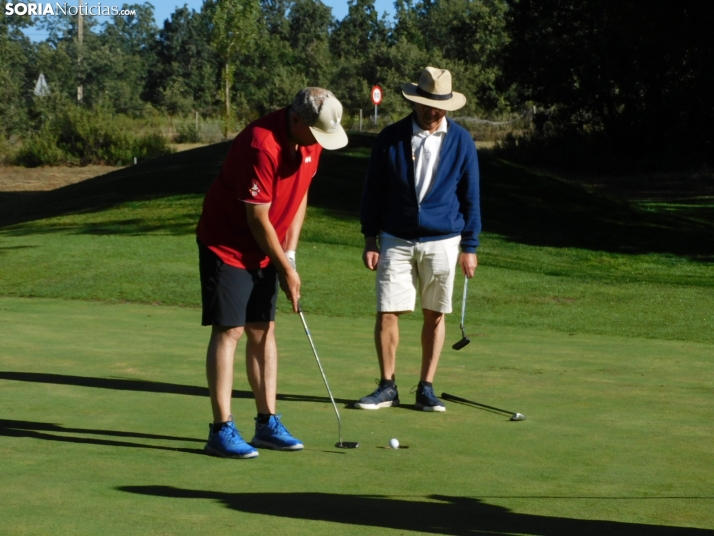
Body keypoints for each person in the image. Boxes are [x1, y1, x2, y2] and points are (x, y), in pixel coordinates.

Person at [196, 88, 348, 458]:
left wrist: (289, 255)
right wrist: (284, 267)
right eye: (316, 134)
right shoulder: (261, 144)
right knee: (230, 330)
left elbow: (300, 196)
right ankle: (221, 429)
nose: (320, 143)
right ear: (296, 120)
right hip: (227, 244)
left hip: (270, 248)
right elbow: (257, 217)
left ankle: (267, 423)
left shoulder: (312, 139)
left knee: (263, 330)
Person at [356, 66, 480, 412]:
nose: (432, 111)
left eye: (439, 105)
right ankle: (387, 386)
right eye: (427, 104)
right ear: (415, 102)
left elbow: (471, 196)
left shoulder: (461, 141)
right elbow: (373, 192)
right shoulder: (391, 138)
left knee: (435, 314)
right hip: (396, 237)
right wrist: (370, 238)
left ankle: (426, 387)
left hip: (444, 240)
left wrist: (470, 246)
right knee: (387, 311)